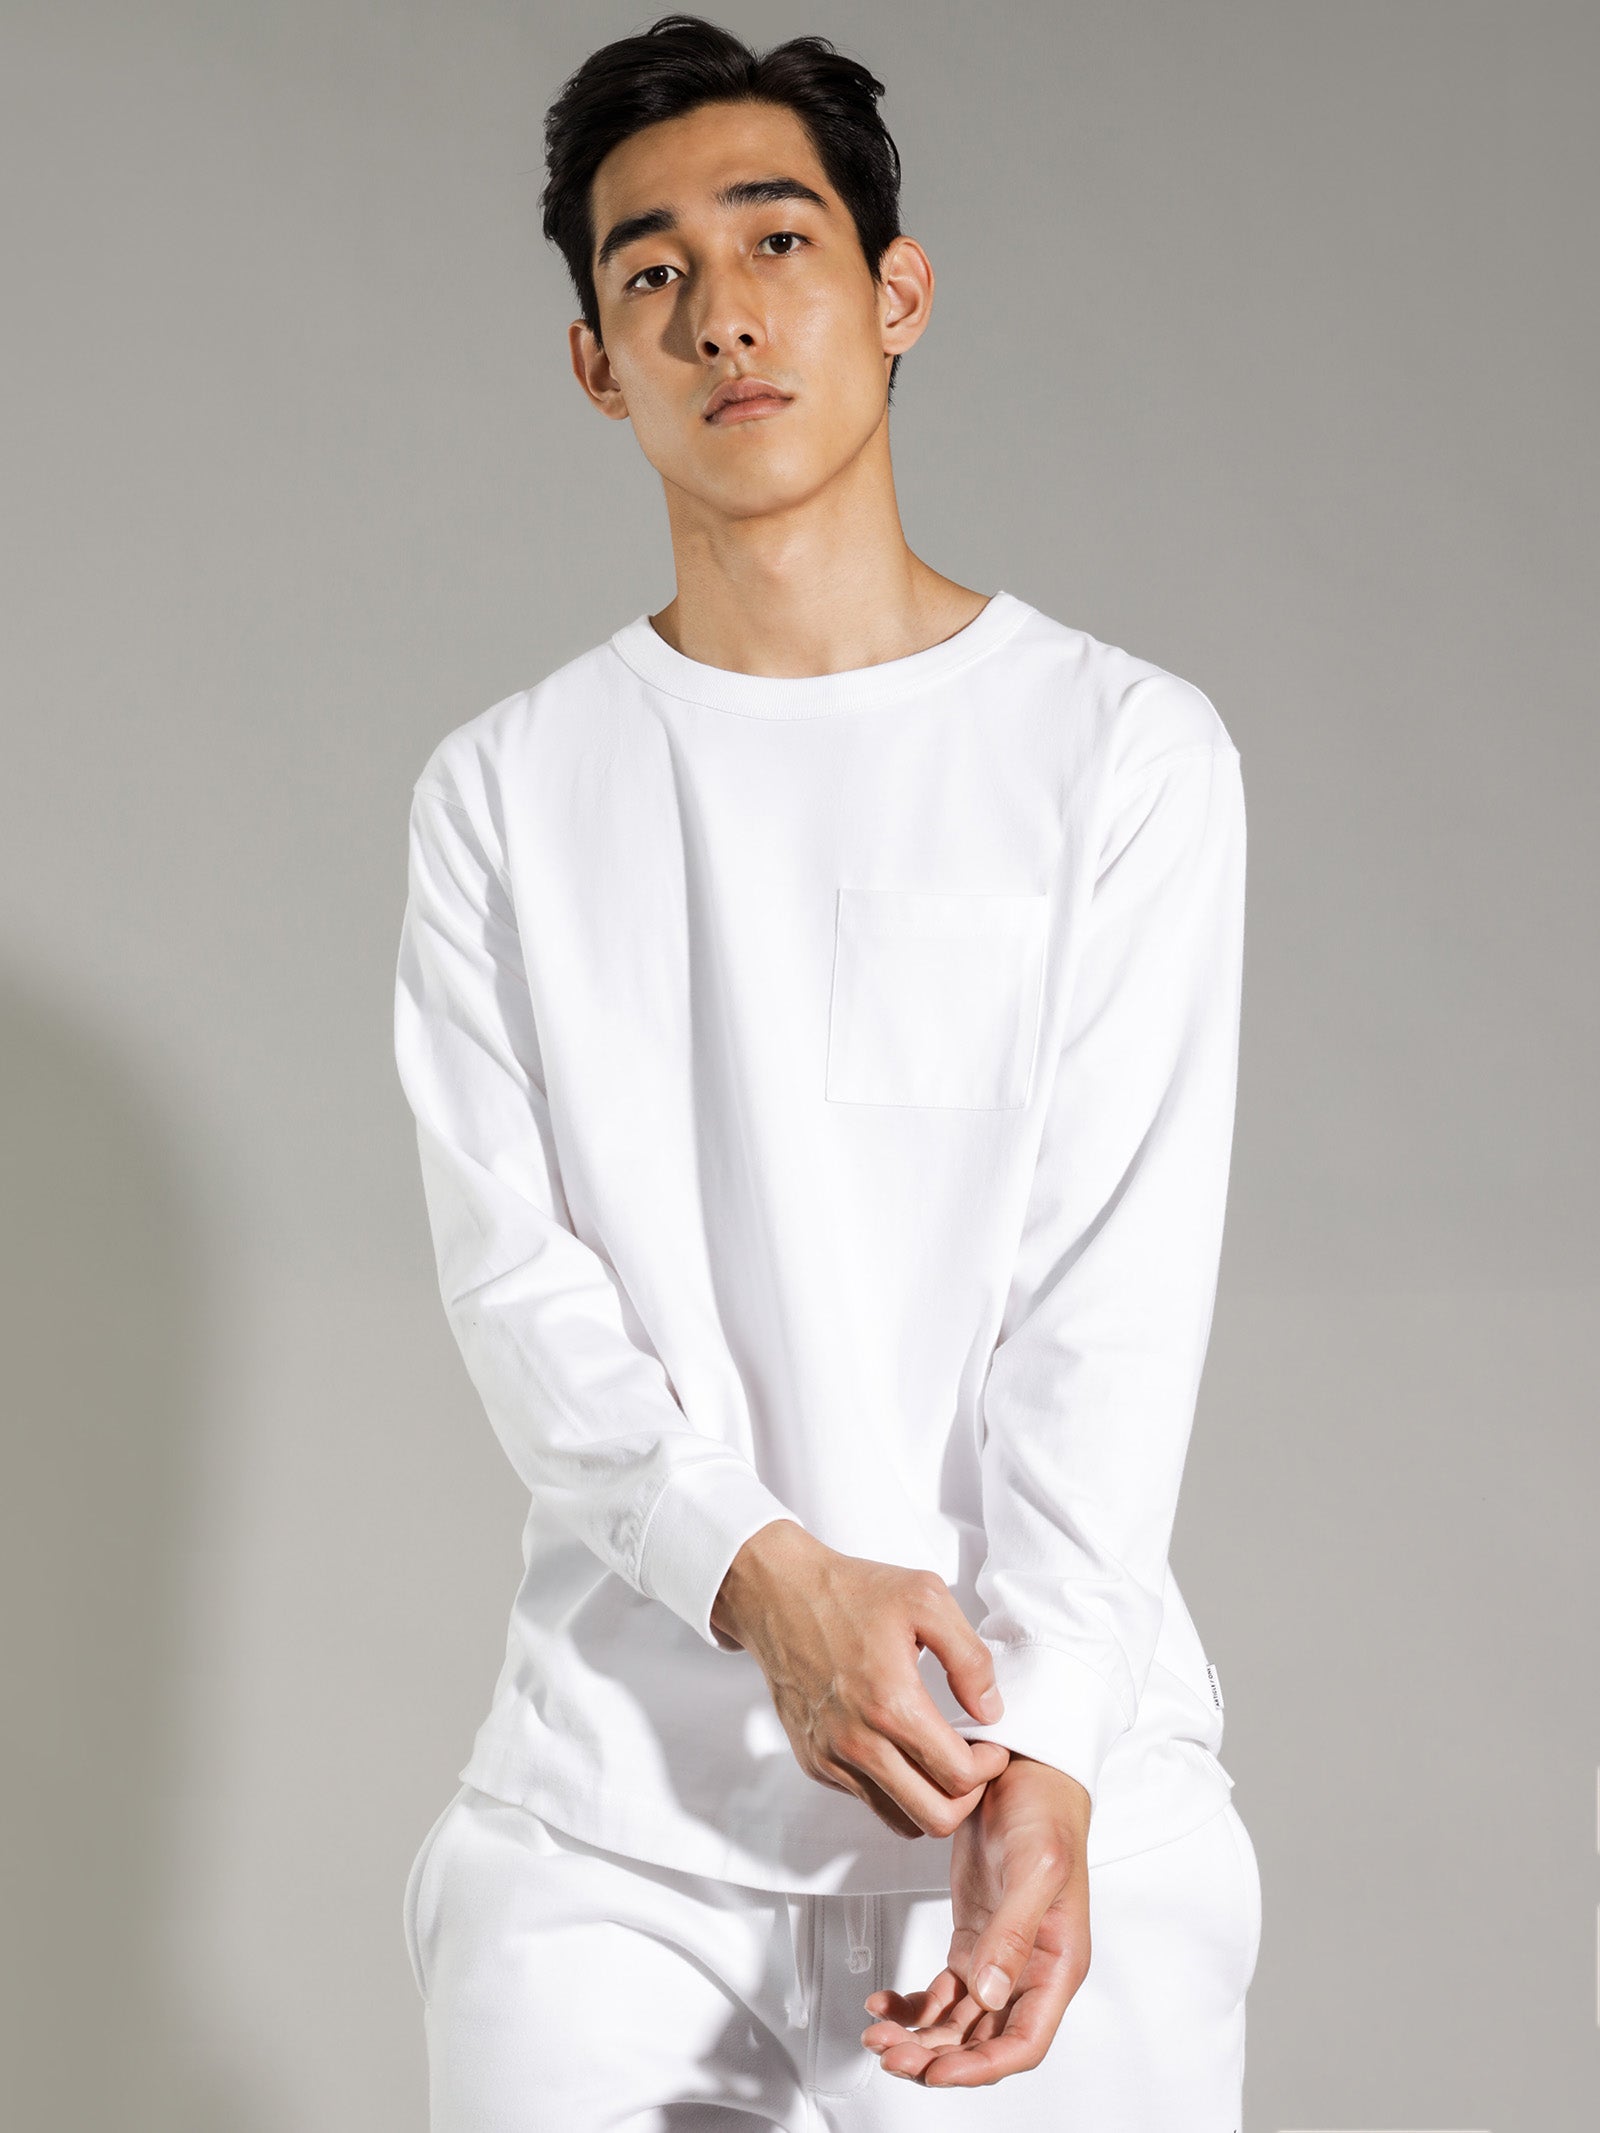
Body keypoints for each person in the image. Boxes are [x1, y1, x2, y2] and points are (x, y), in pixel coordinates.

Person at [393, 14, 1261, 2128]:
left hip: (1035, 1790)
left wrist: (1049, 1752)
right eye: (652, 269)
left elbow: (1110, 1293)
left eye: (776, 237)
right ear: (596, 360)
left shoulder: (1118, 751)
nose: (721, 308)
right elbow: (520, 1289)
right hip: (604, 1823)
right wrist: (762, 1575)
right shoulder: (505, 789)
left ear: (896, 291)